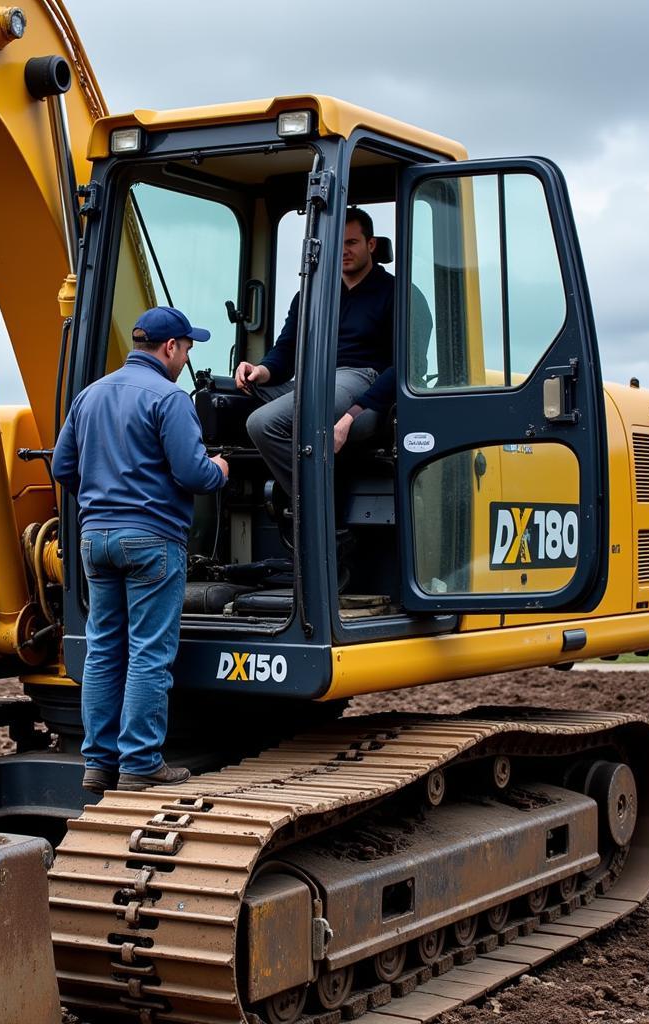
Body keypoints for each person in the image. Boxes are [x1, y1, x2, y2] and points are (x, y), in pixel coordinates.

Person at [53, 306, 229, 794]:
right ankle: (140, 762)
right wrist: (221, 470)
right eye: (187, 347)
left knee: (105, 649)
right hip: (151, 540)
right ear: (170, 347)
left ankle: (98, 761)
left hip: (96, 540)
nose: (187, 356)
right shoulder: (170, 398)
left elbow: (63, 468)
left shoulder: (88, 396)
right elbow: (193, 474)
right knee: (150, 653)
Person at [237, 207, 430, 498]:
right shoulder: (310, 296)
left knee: (262, 423)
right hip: (313, 380)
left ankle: (321, 510)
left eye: (351, 243)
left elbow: (407, 367)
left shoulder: (400, 294)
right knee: (227, 398)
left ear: (371, 244)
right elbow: (286, 350)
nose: (343, 251)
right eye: (337, 244)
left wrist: (354, 414)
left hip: (359, 381)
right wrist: (260, 372)